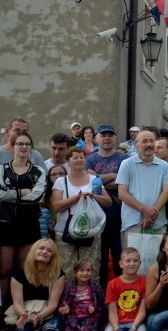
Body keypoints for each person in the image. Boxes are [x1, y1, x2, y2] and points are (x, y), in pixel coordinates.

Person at [51, 146, 113, 283]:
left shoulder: (94, 180)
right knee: (66, 269)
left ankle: (91, 301)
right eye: (75, 157)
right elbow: (56, 206)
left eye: (81, 157)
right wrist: (78, 197)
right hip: (65, 231)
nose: (79, 160)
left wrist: (93, 197)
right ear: (68, 161)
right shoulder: (61, 182)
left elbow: (108, 202)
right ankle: (68, 301)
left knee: (91, 268)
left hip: (90, 230)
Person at [1, 131, 47, 305]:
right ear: (12, 147)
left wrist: (10, 194)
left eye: (27, 144)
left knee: (26, 268)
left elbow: (36, 196)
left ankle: (24, 308)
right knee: (4, 269)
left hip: (29, 222)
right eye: (20, 144)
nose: (24, 147)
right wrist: (22, 192)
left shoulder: (39, 171)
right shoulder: (2, 169)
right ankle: (2, 308)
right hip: (5, 223)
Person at [85, 124, 129, 286]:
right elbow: (88, 184)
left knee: (119, 258)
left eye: (110, 135)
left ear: (115, 138)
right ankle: (101, 298)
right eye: (103, 135)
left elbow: (124, 185)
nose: (107, 138)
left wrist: (97, 179)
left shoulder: (123, 159)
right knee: (99, 260)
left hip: (118, 215)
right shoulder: (90, 159)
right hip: (95, 217)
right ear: (97, 138)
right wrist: (113, 175)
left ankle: (121, 293)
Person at [117, 130, 168, 246]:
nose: (149, 144)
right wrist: (145, 210)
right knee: (132, 262)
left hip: (157, 224)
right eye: (145, 141)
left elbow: (166, 191)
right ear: (136, 144)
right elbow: (122, 193)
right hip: (133, 224)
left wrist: (151, 214)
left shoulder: (163, 165)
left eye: (152, 141)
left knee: (157, 262)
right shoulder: (126, 164)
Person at [9, 238, 65, 331]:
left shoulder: (58, 274)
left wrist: (40, 316)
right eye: (41, 248)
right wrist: (23, 314)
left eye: (49, 250)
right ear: (34, 251)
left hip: (48, 314)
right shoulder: (19, 273)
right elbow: (17, 302)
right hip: (25, 313)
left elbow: (53, 304)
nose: (44, 252)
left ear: (52, 256)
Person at [105, 247, 148, 331]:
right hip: (117, 322)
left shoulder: (145, 282)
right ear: (121, 264)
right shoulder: (112, 284)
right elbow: (112, 312)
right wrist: (115, 327)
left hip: (137, 322)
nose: (132, 264)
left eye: (135, 261)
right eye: (128, 261)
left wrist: (134, 326)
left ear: (140, 263)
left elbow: (142, 311)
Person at [58, 258, 104, 331]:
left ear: (92, 272)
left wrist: (94, 310)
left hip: (90, 319)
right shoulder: (69, 288)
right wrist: (64, 310)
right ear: (75, 273)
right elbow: (63, 307)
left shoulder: (96, 288)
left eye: (88, 270)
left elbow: (101, 308)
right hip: (73, 319)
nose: (85, 273)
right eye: (82, 270)